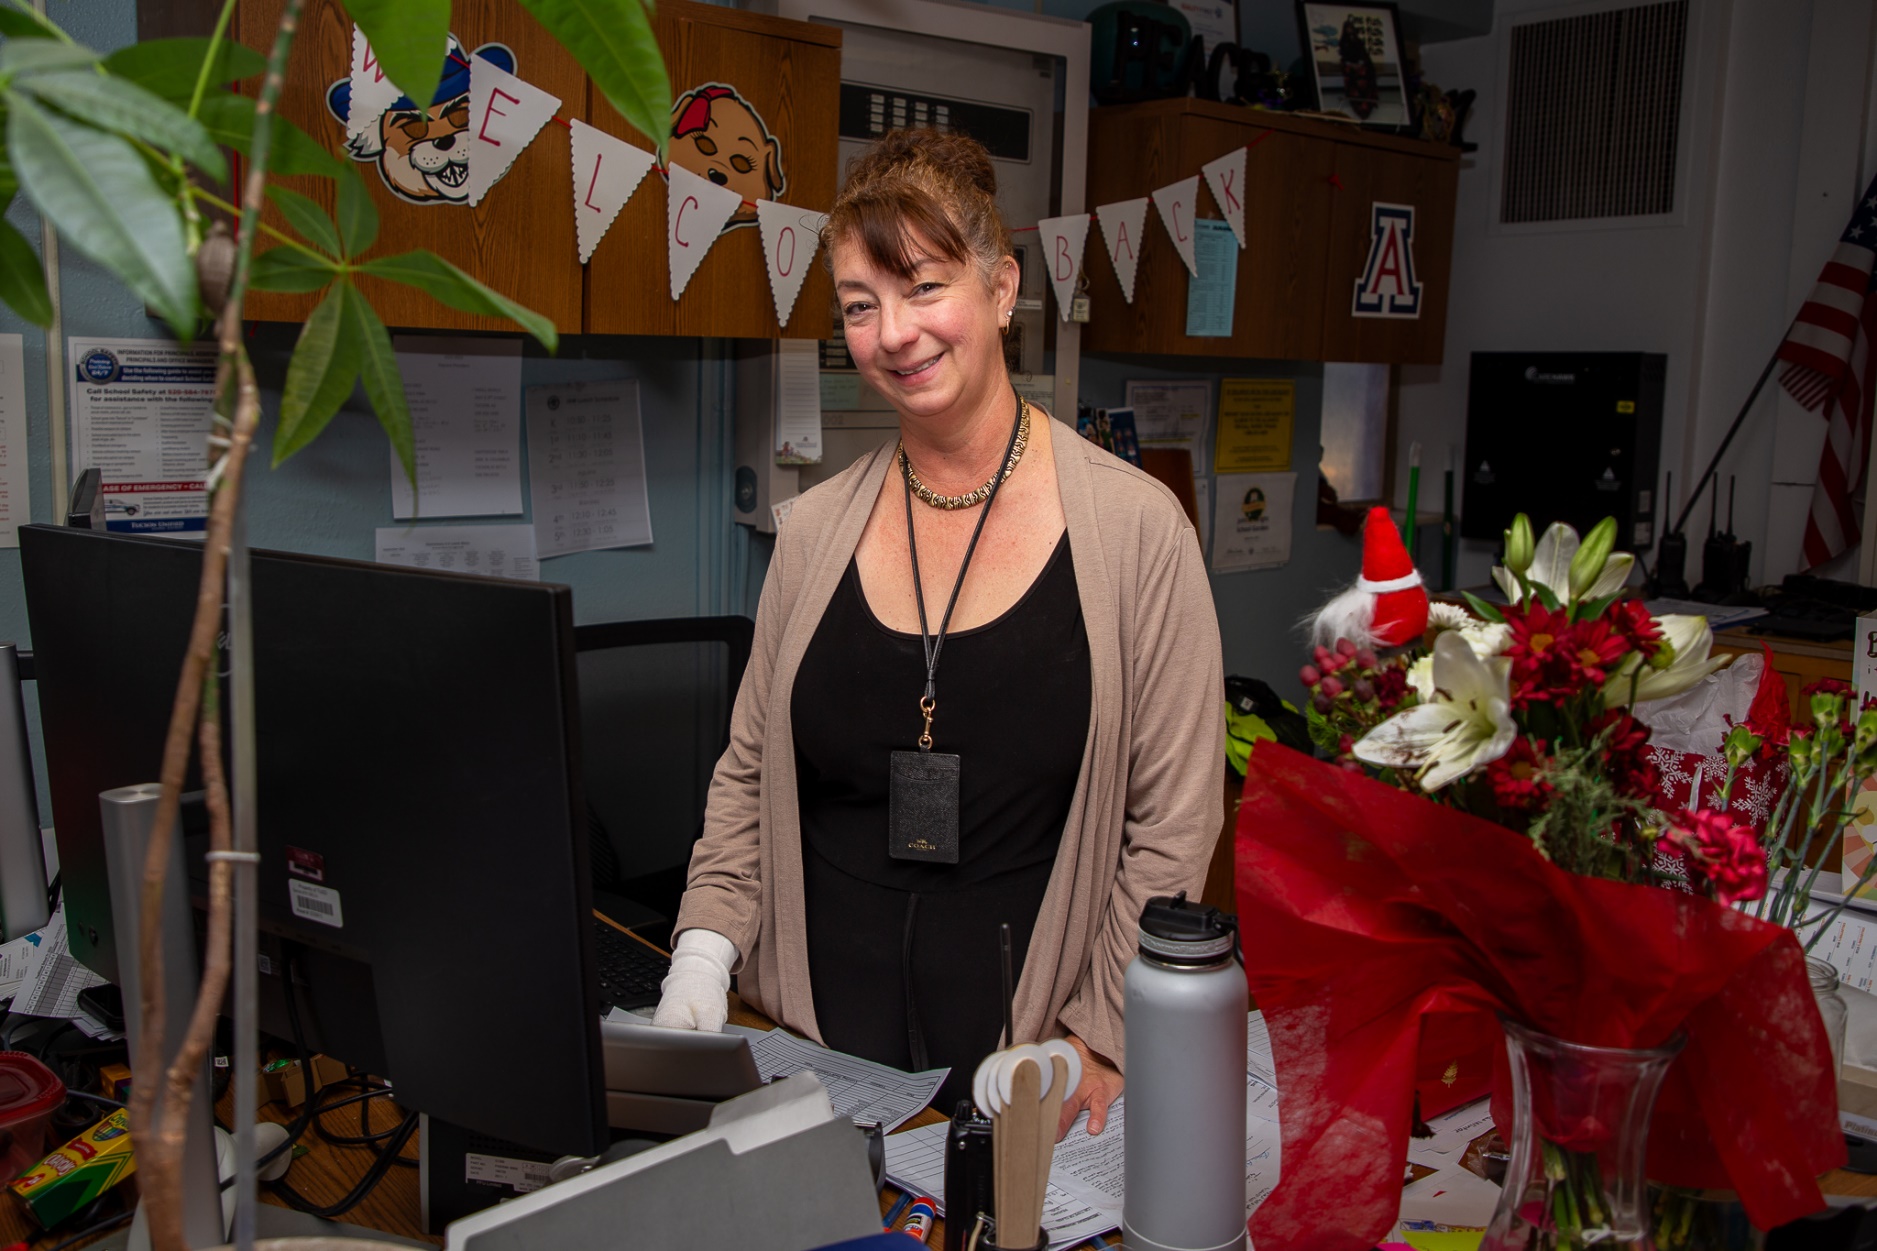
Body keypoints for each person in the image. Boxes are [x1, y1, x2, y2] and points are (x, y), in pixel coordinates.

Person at [653, 129, 1223, 1139]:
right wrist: (704, 952)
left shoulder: (1137, 533)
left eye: (921, 287)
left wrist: (1098, 1037)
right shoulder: (816, 529)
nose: (893, 334)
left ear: (1002, 288)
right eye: (860, 307)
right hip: (809, 1060)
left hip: (1027, 1079)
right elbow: (748, 773)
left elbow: (1171, 822)